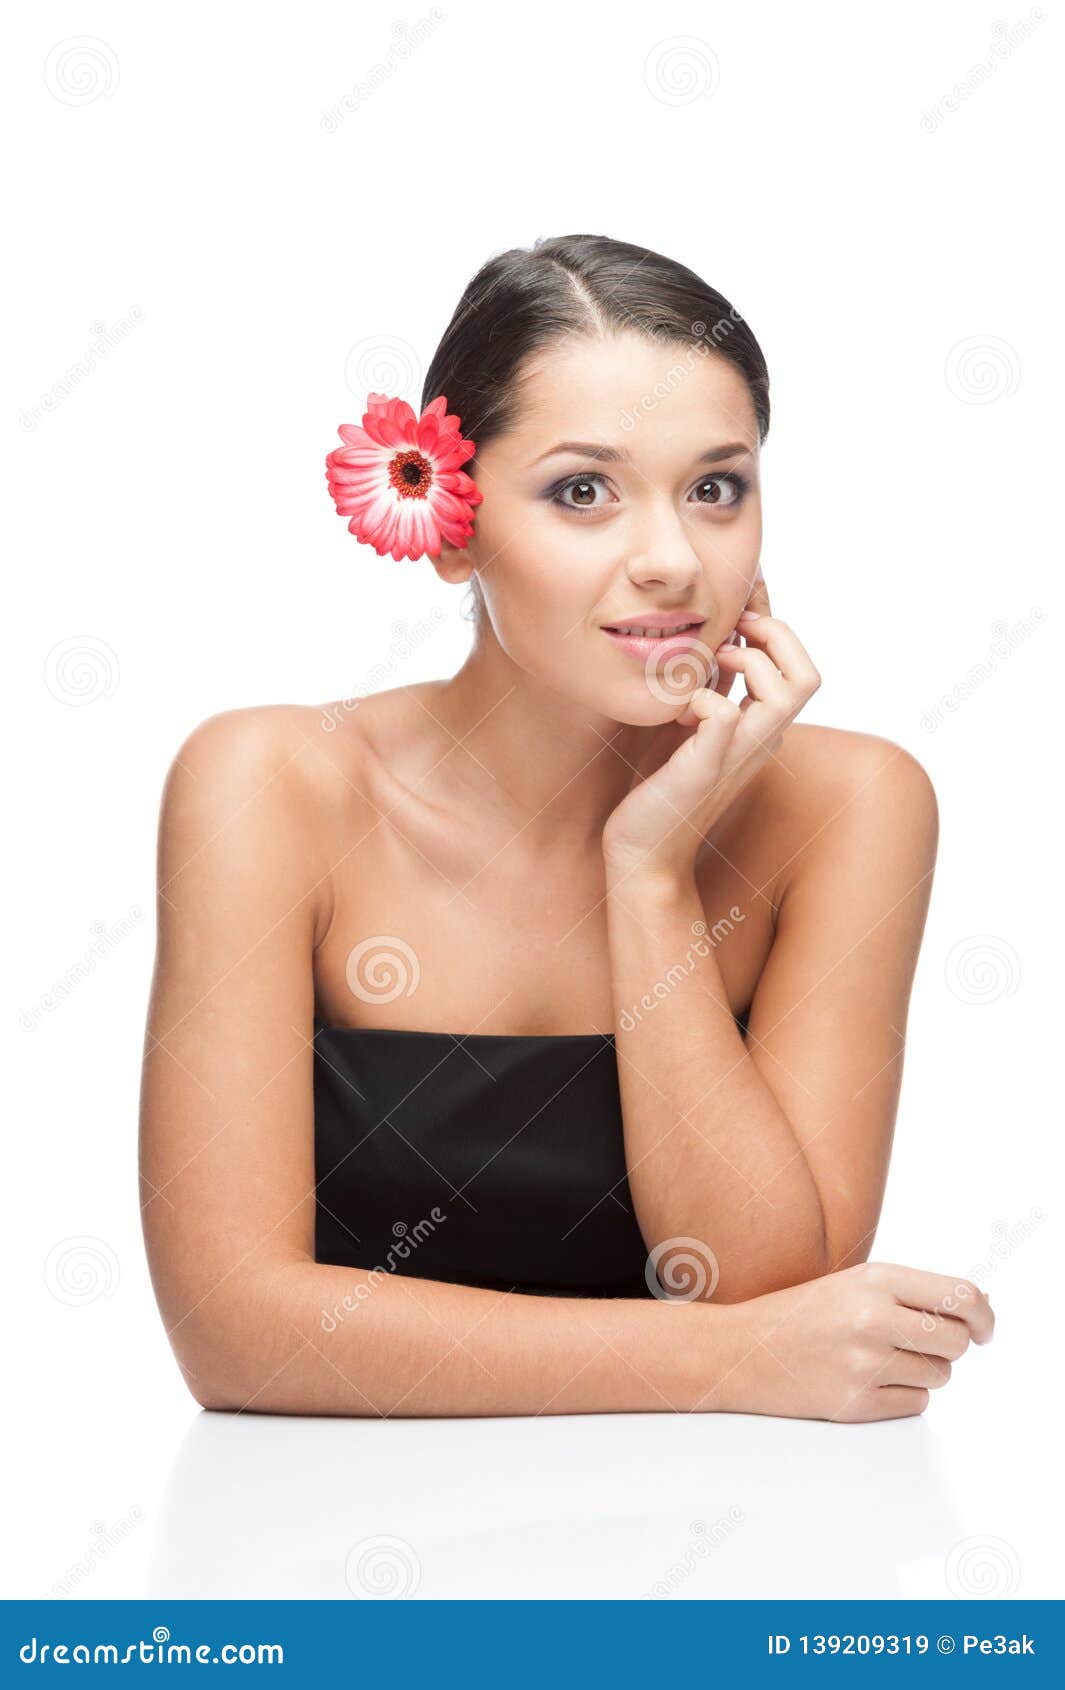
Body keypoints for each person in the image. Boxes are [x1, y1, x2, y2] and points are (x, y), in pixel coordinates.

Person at [139, 233, 994, 1422]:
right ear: (449, 521)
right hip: (324, 1551)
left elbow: (769, 1281)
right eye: (582, 491)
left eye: (716, 486)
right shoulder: (270, 786)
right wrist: (724, 1362)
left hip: (736, 1541)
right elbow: (234, 1332)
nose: (672, 559)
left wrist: (646, 875)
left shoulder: (851, 807)